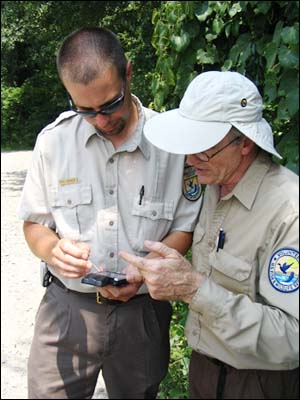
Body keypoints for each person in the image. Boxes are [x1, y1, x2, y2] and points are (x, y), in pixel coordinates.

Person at [17, 27, 202, 399]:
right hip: (67, 310)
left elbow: (185, 227)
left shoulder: (171, 144)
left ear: (128, 73)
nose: (101, 120)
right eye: (85, 110)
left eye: (110, 104)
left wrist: (147, 267)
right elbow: (34, 224)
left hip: (142, 314)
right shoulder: (53, 142)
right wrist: (52, 249)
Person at [120, 71, 299, 399]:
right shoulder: (213, 185)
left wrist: (194, 289)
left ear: (245, 142)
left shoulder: (290, 211)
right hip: (204, 370)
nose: (189, 160)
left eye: (203, 149)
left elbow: (292, 338)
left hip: (261, 384)